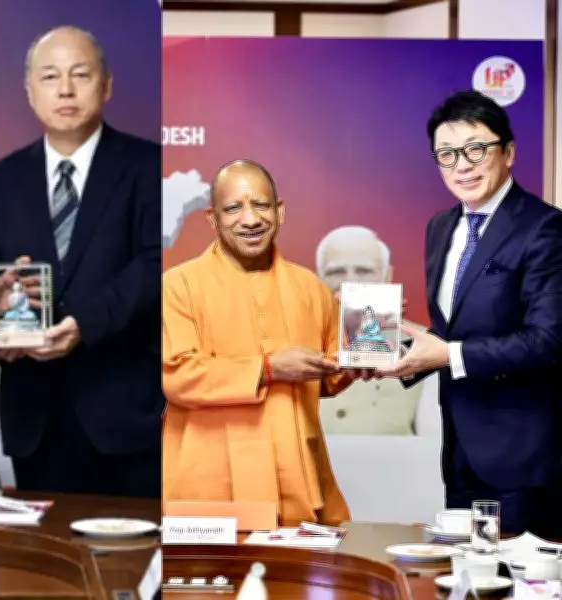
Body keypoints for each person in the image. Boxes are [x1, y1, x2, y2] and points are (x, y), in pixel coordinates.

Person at [0, 26, 161, 497]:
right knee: (49, 543)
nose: (66, 89)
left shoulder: (151, 167)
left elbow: (157, 265)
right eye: (50, 77)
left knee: (136, 543)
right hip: (36, 416)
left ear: (107, 85)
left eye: (80, 75)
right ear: (30, 91)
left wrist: (83, 325)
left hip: (126, 415)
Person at [377, 90, 562, 536]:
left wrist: (448, 355)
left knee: (517, 573)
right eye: (447, 154)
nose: (462, 165)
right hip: (459, 452)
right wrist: (397, 349)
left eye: (476, 149)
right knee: (464, 570)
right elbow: (453, 331)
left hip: (524, 457)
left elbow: (549, 340)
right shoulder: (440, 227)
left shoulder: (545, 227)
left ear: (508, 152)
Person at [163, 159, 371, 526]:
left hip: (298, 478)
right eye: (233, 208)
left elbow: (326, 377)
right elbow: (178, 376)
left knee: (302, 564)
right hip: (210, 485)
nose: (250, 219)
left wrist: (364, 348)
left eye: (260, 205)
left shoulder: (310, 287)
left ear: (280, 211)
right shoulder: (178, 285)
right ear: (212, 218)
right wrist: (269, 368)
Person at [316, 226, 426, 435]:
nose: (349, 280)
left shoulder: (423, 343)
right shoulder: (291, 338)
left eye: (364, 271)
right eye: (335, 272)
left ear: (387, 276)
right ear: (319, 279)